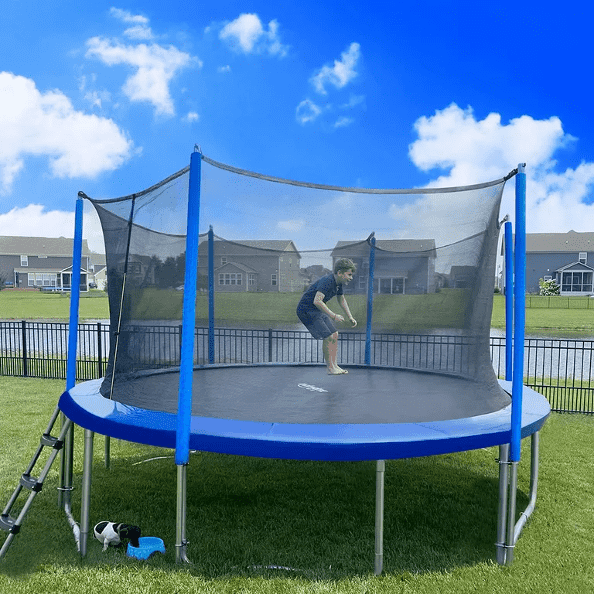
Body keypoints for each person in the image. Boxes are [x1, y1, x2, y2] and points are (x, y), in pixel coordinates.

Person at [297, 258, 358, 374]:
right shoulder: (327, 281)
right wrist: (334, 315)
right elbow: (317, 301)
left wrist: (350, 317)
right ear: (339, 273)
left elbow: (342, 299)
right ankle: (330, 368)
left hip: (316, 310)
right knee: (328, 336)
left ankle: (335, 366)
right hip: (306, 310)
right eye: (349, 274)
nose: (351, 277)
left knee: (335, 334)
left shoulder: (339, 284)